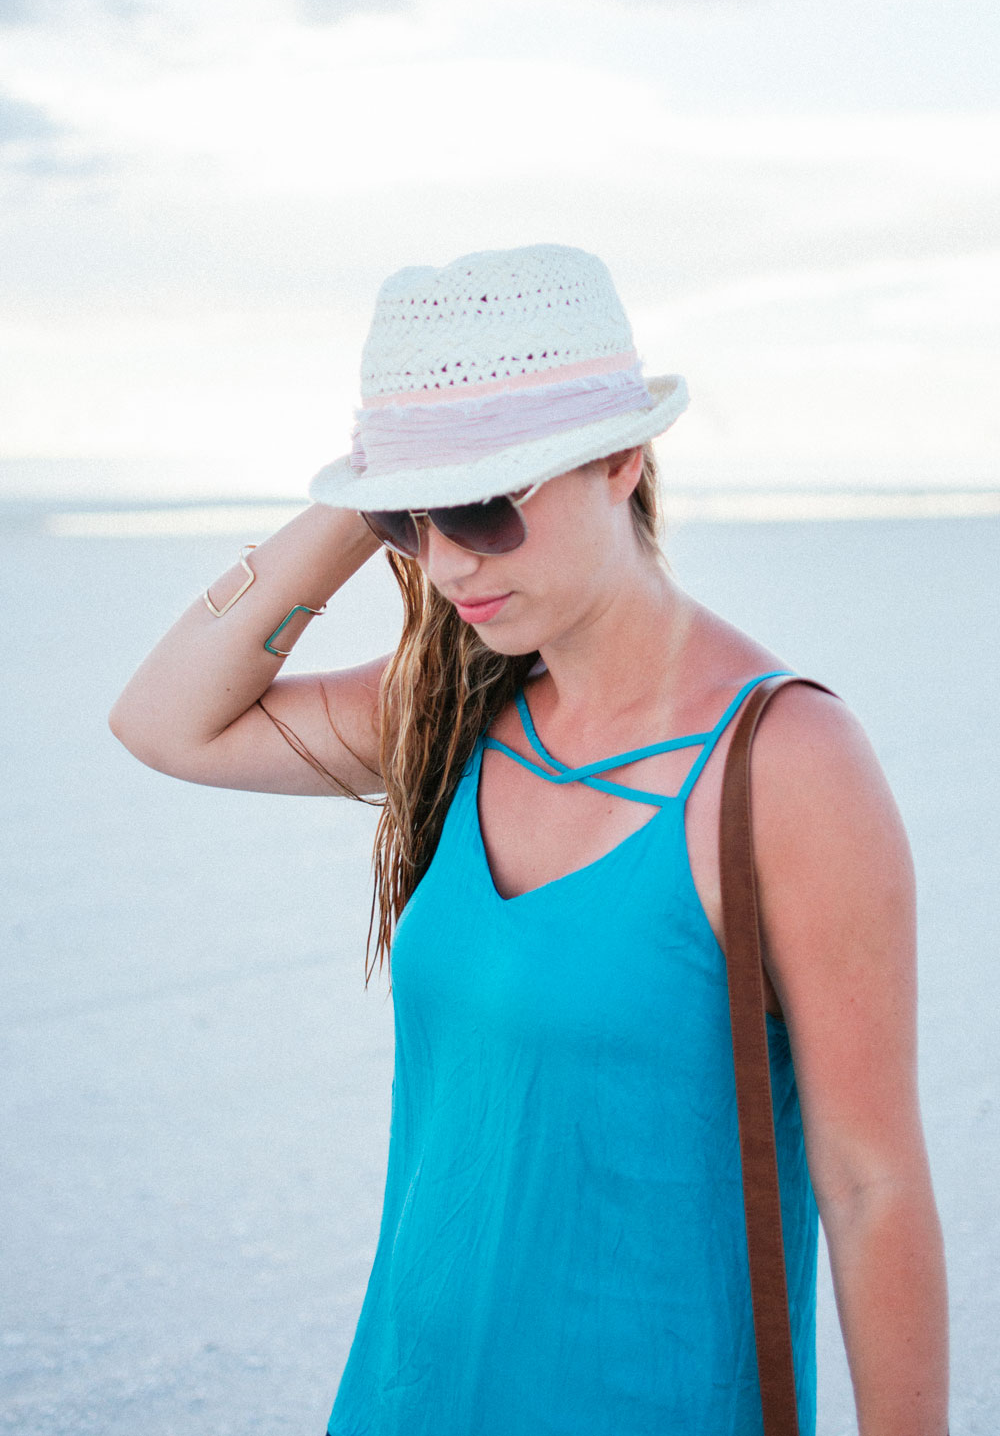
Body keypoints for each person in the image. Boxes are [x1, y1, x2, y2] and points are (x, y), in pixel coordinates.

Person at [108, 243, 949, 1435]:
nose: (447, 566)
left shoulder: (788, 765)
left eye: (485, 505)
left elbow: (872, 1188)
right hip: (404, 1400)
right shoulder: (456, 710)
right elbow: (162, 722)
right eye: (413, 522)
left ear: (622, 458)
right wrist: (367, 500)